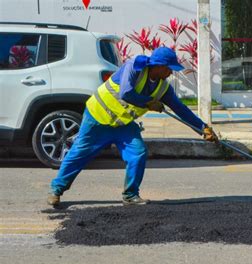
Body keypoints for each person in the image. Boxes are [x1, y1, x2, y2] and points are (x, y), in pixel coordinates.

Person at [47, 47, 217, 207]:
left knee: (138, 152)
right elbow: (126, 93)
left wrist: (202, 128)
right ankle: (56, 190)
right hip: (97, 118)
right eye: (168, 68)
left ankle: (130, 195)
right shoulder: (134, 67)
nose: (170, 72)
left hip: (123, 125)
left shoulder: (163, 88)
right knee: (79, 154)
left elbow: (181, 109)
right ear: (158, 66)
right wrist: (149, 104)